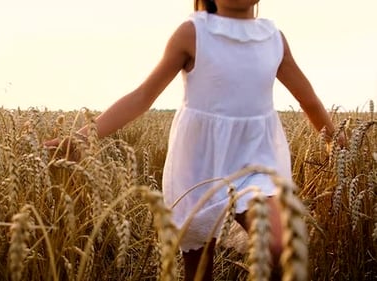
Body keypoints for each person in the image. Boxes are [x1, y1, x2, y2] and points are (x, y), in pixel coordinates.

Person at [45, 0, 344, 280]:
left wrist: (333, 138)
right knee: (199, 269)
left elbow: (309, 100)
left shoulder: (274, 39)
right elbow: (142, 96)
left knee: (280, 247)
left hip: (256, 161)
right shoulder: (194, 32)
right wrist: (81, 137)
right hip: (198, 166)